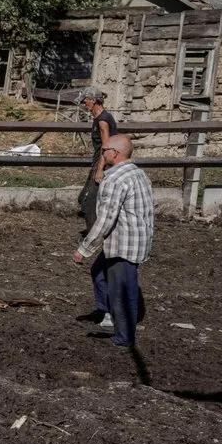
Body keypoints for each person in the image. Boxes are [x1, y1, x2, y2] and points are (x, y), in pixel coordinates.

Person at [73, 135, 154, 348]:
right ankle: (110, 314)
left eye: (105, 149)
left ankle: (124, 336)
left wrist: (85, 248)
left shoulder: (116, 179)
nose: (102, 153)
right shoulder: (137, 173)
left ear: (115, 153)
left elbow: (106, 219)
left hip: (124, 243)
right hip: (133, 238)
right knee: (99, 273)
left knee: (123, 289)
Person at [77, 87, 117, 231]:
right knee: (83, 198)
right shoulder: (100, 118)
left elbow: (105, 147)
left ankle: (93, 236)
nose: (83, 104)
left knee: (89, 202)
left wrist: (99, 169)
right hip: (98, 162)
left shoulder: (102, 121)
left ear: (93, 101)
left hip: (104, 164)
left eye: (85, 101)